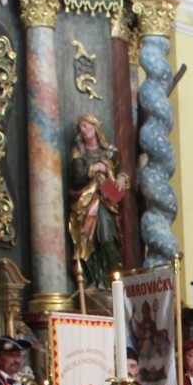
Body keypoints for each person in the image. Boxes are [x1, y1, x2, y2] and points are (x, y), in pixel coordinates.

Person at [67, 113, 129, 290]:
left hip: (106, 202)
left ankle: (114, 281)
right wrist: (95, 167)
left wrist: (122, 177)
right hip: (86, 202)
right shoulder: (78, 153)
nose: (83, 130)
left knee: (107, 238)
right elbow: (77, 174)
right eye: (81, 128)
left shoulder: (109, 151)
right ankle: (96, 280)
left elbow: (121, 166)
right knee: (88, 240)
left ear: (95, 127)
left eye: (86, 125)